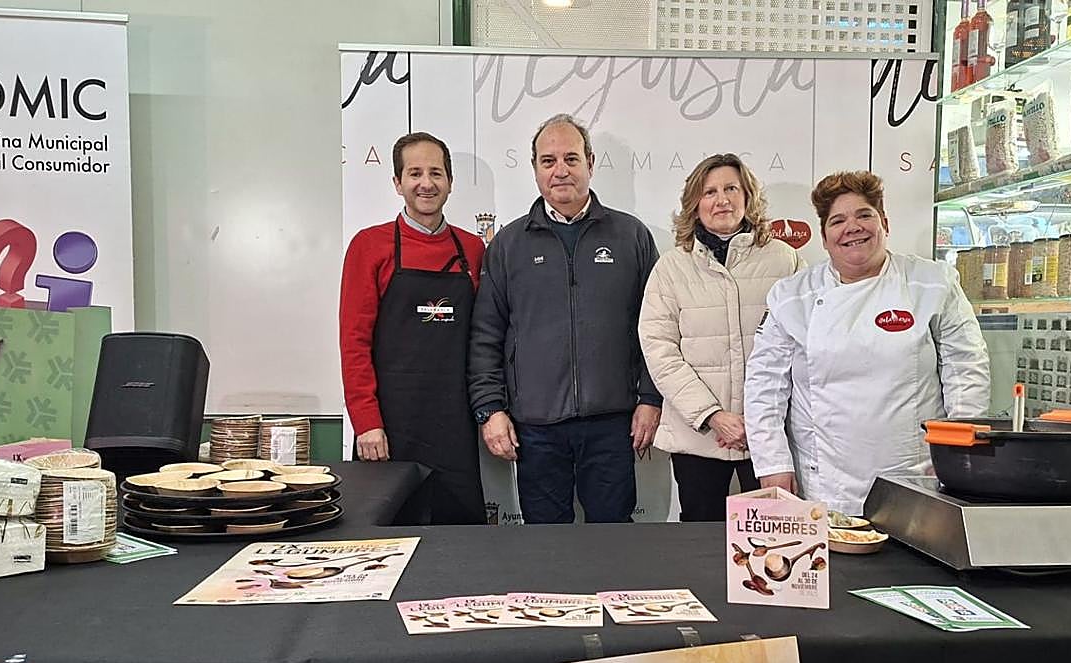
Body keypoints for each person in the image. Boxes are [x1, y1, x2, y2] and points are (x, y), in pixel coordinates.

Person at [744, 170, 990, 516]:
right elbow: (763, 386)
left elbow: (966, 368)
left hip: (917, 474)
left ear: (884, 223)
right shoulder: (792, 296)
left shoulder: (932, 283)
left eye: (864, 215)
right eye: (838, 221)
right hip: (824, 480)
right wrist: (772, 464)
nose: (852, 227)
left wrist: (959, 452)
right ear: (824, 238)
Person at [467, 113, 662, 524]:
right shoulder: (508, 245)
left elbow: (657, 328)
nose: (560, 171)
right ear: (535, 169)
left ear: (590, 163)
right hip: (535, 426)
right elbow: (486, 335)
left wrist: (649, 398)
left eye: (571, 159)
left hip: (612, 423)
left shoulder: (631, 237)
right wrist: (491, 409)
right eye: (548, 161)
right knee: (546, 546)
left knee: (613, 541)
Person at [638, 153, 804, 522]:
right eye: (709, 191)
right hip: (697, 436)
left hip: (768, 437)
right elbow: (659, 348)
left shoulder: (785, 261)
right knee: (699, 540)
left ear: (748, 196)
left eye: (731, 188)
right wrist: (713, 415)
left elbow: (803, 346)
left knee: (775, 539)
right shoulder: (671, 267)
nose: (721, 199)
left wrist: (758, 419)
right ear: (695, 204)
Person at [339, 131, 487, 525]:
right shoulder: (369, 246)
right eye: (415, 173)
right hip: (389, 430)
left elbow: (485, 339)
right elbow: (354, 342)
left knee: (459, 546)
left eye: (436, 173)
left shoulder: (472, 249)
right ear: (397, 183)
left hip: (454, 426)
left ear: (450, 183)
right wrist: (367, 423)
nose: (426, 183)